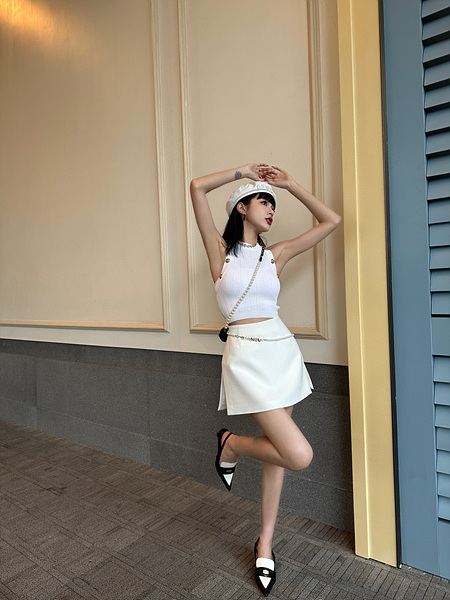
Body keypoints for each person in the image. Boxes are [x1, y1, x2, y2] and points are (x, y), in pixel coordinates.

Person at [190, 163, 341, 596]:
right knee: (298, 454)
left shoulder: (277, 255)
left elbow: (331, 221)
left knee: (278, 455)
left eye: (273, 204)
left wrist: (289, 185)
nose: (271, 209)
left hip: (282, 353)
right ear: (242, 207)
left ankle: (265, 542)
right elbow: (196, 187)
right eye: (263, 201)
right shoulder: (220, 252)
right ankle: (232, 444)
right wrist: (242, 171)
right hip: (245, 358)